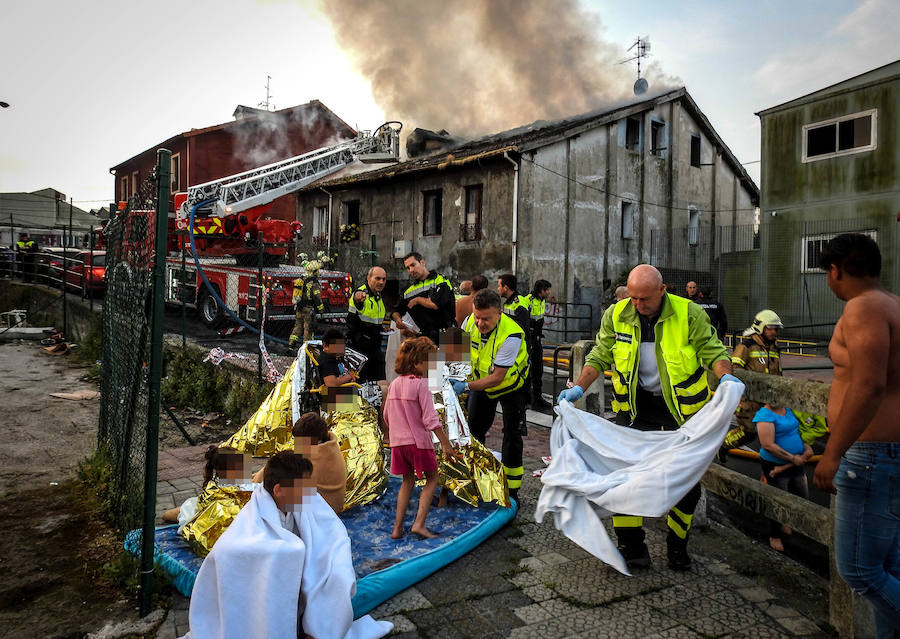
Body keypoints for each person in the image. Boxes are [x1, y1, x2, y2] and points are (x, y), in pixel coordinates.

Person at [558, 264, 734, 570]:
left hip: (682, 415)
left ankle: (677, 546)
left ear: (662, 290)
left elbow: (713, 352)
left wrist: (727, 378)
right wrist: (579, 388)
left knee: (686, 485)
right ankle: (633, 548)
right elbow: (600, 354)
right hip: (635, 411)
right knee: (625, 482)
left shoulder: (689, 313)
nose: (638, 305)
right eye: (633, 298)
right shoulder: (617, 314)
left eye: (645, 299)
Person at [185, 451, 392, 639]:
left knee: (337, 573)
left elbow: (332, 532)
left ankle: (319, 628)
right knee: (286, 556)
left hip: (301, 579)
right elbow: (242, 564)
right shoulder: (247, 532)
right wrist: (294, 552)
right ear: (278, 490)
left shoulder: (302, 499)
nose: (311, 493)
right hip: (266, 596)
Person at [812, 233, 900, 636]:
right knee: (891, 567)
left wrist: (833, 453)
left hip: (869, 454)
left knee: (860, 571)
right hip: (888, 453)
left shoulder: (862, 308)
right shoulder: (893, 305)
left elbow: (868, 385)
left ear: (836, 270)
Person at [453, 289, 530, 501]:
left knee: (512, 436)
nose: (480, 323)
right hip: (481, 386)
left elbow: (497, 377)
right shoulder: (469, 321)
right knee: (475, 431)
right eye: (477, 316)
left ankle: (512, 492)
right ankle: (477, 481)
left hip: (510, 387)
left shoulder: (511, 334)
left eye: (486, 319)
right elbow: (454, 351)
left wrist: (466, 386)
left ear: (500, 313)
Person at [384, 336, 456, 539]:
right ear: (417, 363)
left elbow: (387, 416)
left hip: (398, 444)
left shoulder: (395, 384)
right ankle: (419, 524)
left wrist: (396, 434)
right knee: (432, 478)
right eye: (430, 363)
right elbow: (431, 419)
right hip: (418, 443)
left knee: (406, 481)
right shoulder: (422, 384)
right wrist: (445, 444)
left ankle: (397, 529)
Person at [253, 412, 347, 515]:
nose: (297, 446)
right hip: (332, 506)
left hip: (320, 513)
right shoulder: (330, 446)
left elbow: (275, 475)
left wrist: (255, 480)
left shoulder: (314, 462)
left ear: (318, 441)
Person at [721, 309, 784, 460]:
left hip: (770, 401)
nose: (774, 332)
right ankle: (723, 446)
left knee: (772, 434)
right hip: (749, 401)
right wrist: (740, 400)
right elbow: (734, 372)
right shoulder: (746, 346)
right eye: (770, 328)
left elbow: (779, 373)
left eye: (776, 329)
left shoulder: (774, 348)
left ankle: (769, 472)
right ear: (760, 328)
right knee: (749, 433)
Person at [754, 403, 813, 552]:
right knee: (779, 498)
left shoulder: (787, 410)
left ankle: (786, 522)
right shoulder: (764, 415)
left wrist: (805, 447)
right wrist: (792, 458)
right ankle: (775, 535)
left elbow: (795, 432)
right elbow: (768, 445)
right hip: (775, 464)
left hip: (797, 462)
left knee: (801, 494)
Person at [161, 445, 250, 527]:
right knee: (170, 515)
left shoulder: (225, 480)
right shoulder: (221, 490)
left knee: (174, 513)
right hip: (199, 513)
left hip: (200, 508)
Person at [391, 252, 455, 344]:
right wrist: (398, 319)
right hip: (424, 337)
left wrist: (417, 300)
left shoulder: (441, 280)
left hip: (449, 332)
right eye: (408, 268)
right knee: (426, 358)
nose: (411, 270)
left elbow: (436, 304)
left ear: (422, 262)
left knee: (462, 358)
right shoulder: (407, 290)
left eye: (413, 265)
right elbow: (395, 310)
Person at [347, 266, 387, 381]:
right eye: (378, 278)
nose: (381, 282)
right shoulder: (362, 294)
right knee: (363, 384)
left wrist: (382, 328)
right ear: (368, 278)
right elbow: (357, 297)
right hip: (360, 348)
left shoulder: (378, 297)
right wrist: (357, 296)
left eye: (384, 279)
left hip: (375, 346)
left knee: (380, 382)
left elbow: (373, 321)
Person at [524, 279, 553, 410]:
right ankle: (527, 398)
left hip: (536, 339)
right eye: (547, 290)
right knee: (527, 370)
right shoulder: (528, 301)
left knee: (538, 369)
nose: (549, 292)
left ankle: (537, 398)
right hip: (528, 340)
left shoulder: (541, 300)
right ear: (542, 290)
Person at [289, 259, 324, 348]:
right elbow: (317, 297)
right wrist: (321, 309)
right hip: (309, 309)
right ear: (314, 271)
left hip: (299, 308)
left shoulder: (301, 279)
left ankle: (290, 346)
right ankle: (306, 349)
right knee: (308, 330)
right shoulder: (314, 282)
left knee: (297, 327)